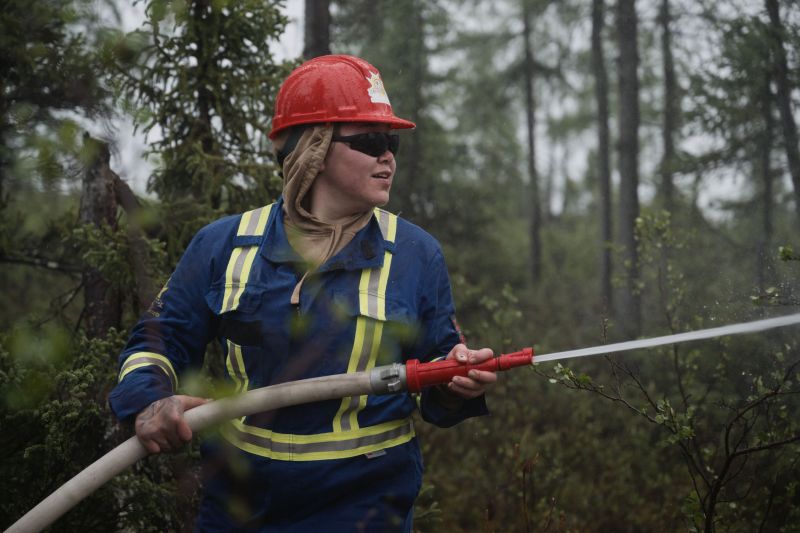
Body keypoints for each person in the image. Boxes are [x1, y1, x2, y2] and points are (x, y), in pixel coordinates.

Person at [109, 54, 497, 532]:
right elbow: (157, 342)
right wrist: (149, 402)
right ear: (312, 150)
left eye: (391, 142)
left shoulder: (416, 254)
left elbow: (437, 386)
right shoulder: (223, 245)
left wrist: (458, 383)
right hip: (240, 511)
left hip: (366, 510)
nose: (388, 157)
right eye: (371, 141)